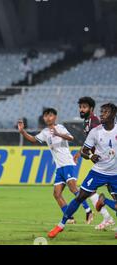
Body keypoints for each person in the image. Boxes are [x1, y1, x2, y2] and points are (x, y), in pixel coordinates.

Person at [48, 103, 117, 239]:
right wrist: (91, 156)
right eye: (101, 111)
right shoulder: (95, 132)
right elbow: (84, 151)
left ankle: (103, 200)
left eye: (106, 112)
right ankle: (61, 225)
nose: (102, 114)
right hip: (98, 172)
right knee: (80, 197)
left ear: (114, 114)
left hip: (115, 174)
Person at [18, 108, 93, 226]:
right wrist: (23, 132)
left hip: (68, 164)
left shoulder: (60, 128)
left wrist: (58, 134)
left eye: (50, 115)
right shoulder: (45, 132)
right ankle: (69, 217)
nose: (48, 118)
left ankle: (88, 211)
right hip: (59, 168)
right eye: (46, 116)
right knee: (56, 194)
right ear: (43, 118)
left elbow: (71, 138)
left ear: (55, 117)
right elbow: (33, 139)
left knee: (73, 189)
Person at [75, 96, 115, 230]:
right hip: (100, 162)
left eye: (84, 107)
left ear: (91, 109)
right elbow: (89, 143)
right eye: (80, 107)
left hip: (106, 162)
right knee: (91, 191)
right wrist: (81, 153)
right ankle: (107, 218)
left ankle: (107, 218)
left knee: (89, 191)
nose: (81, 109)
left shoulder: (95, 122)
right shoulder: (87, 121)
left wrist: (90, 154)